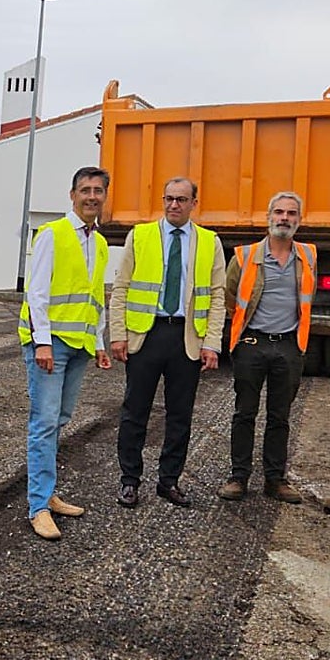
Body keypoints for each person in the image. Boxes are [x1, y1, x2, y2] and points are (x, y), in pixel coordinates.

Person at [108, 177, 226, 509]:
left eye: (181, 199)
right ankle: (130, 480)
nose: (174, 205)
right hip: (146, 335)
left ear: (194, 203)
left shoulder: (209, 242)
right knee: (134, 412)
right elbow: (121, 289)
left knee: (180, 415)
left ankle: (169, 481)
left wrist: (212, 343)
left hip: (186, 338)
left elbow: (217, 296)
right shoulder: (140, 236)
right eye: (169, 198)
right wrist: (118, 335)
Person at [17, 166, 112, 540]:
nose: (91, 196)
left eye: (98, 190)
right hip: (50, 343)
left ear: (105, 196)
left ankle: (47, 492)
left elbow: (95, 299)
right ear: (72, 195)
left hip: (80, 346)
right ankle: (38, 506)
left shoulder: (100, 242)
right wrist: (42, 342)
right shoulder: (53, 234)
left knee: (59, 420)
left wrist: (100, 344)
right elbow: (36, 293)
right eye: (85, 190)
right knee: (44, 423)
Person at [216, 191, 316, 504]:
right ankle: (239, 477)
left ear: (299, 221)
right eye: (279, 212)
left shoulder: (308, 256)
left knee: (280, 416)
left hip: (288, 347)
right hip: (252, 345)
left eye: (291, 214)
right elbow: (229, 296)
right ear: (268, 217)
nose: (284, 218)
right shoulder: (245, 256)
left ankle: (275, 480)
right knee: (245, 413)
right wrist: (242, 335)